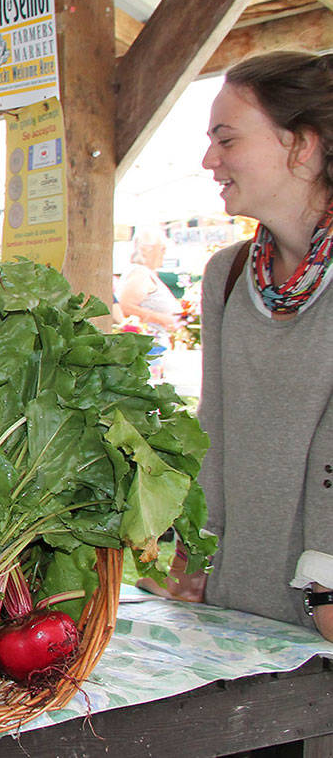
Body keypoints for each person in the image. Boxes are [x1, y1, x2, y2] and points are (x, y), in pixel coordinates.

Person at [143, 51, 333, 642]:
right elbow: (215, 427)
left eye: (226, 139)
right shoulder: (228, 275)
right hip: (242, 598)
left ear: (301, 146)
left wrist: (327, 575)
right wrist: (194, 545)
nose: (209, 160)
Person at [116, 229, 183, 338]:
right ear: (146, 250)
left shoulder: (146, 272)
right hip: (149, 345)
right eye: (162, 249)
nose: (165, 253)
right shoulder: (140, 273)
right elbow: (124, 307)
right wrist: (161, 319)